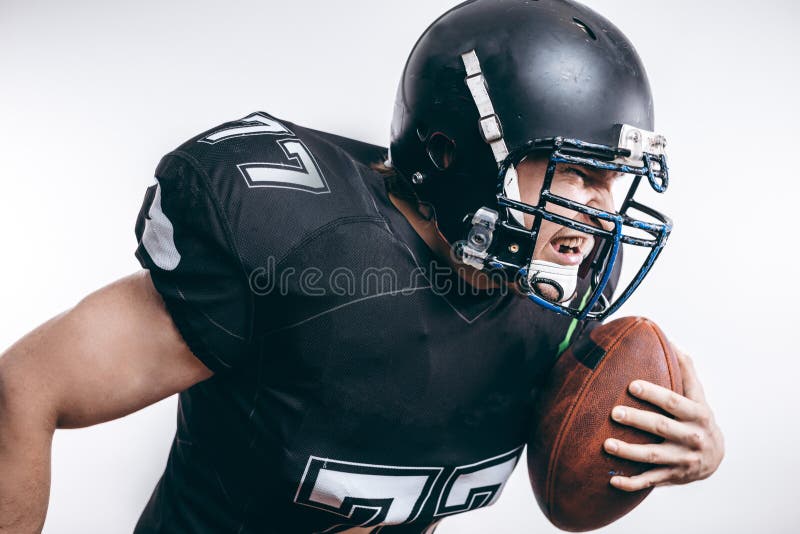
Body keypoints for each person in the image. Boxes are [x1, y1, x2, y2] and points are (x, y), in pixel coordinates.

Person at [0, 1, 723, 533]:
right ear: (457, 155)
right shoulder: (310, 247)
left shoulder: (553, 297)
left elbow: (568, 464)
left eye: (611, 180)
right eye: (572, 174)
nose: (598, 213)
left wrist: (690, 449)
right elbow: (27, 388)